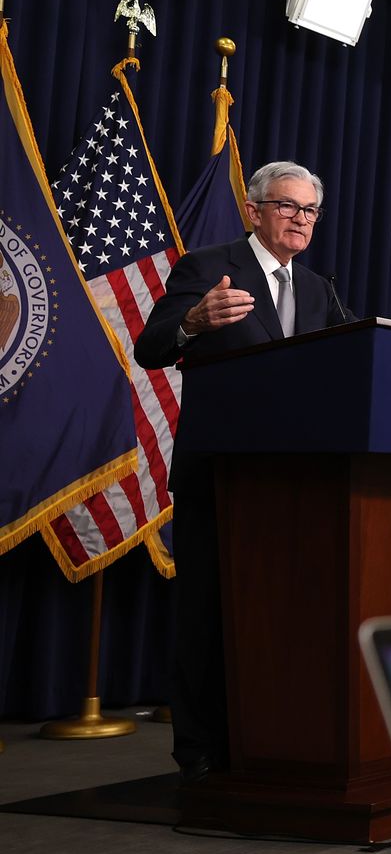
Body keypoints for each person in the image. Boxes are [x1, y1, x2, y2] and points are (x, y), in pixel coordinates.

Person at [135, 161, 350, 779]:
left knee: (276, 612)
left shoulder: (315, 287)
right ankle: (200, 748)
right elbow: (151, 348)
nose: (300, 220)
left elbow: (346, 357)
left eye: (309, 211)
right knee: (207, 612)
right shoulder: (207, 265)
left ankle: (267, 736)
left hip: (295, 477)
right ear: (254, 210)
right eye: (288, 207)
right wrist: (193, 322)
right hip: (220, 471)